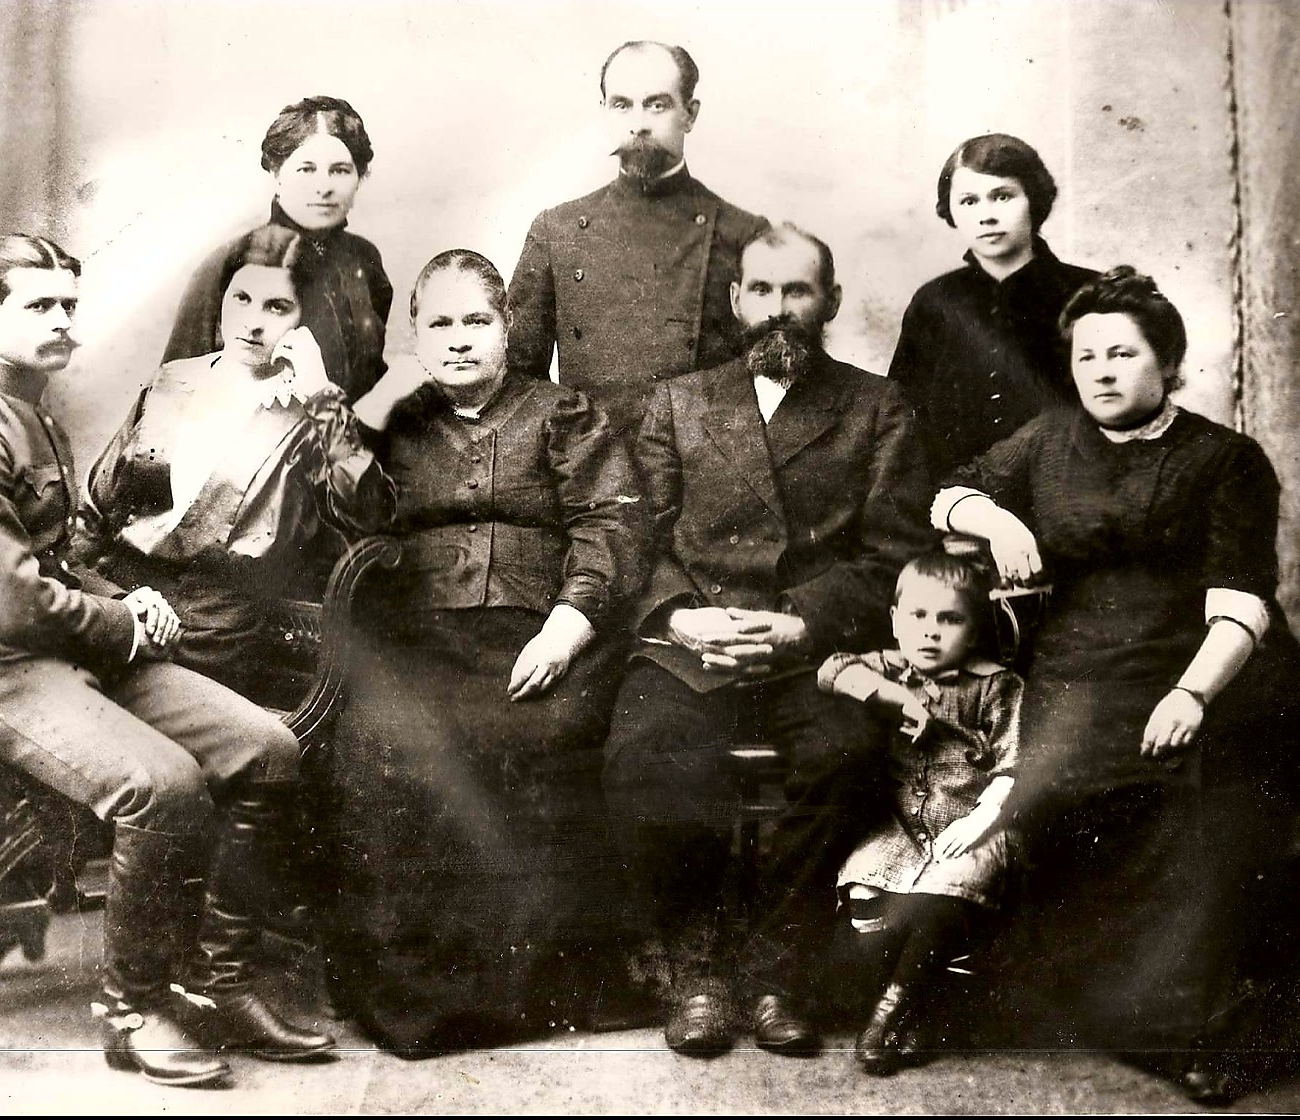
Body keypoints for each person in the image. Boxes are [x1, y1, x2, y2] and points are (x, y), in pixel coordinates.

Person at [0, 235, 335, 1088]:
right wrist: (122, 620)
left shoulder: (32, 413)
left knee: (267, 748)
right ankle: (132, 1009)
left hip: (63, 651)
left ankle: (220, 984)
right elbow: (10, 605)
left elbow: (57, 557)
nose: (63, 321)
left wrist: (124, 598)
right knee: (161, 785)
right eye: (40, 306)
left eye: (70, 304)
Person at [937, 266, 1300, 1105]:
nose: (1101, 371)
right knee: (1052, 796)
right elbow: (949, 493)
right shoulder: (1048, 439)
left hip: (1203, 661)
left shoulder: (1225, 459)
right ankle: (1108, 1011)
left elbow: (1243, 601)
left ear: (1166, 361)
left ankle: (1199, 1025)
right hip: (1079, 665)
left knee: (1198, 797)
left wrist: (1192, 694)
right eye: (1087, 356)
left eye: (1123, 354)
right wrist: (994, 517)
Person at [603, 222, 936, 1057]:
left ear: (830, 300)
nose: (778, 308)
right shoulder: (678, 402)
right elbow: (634, 539)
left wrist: (800, 622)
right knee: (645, 754)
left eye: (797, 290)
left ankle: (777, 974)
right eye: (761, 290)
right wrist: (680, 615)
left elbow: (895, 554)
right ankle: (698, 972)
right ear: (734, 299)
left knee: (846, 754)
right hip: (693, 642)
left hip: (816, 654)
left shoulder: (877, 407)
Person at [321, 249, 649, 1057]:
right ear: (415, 337)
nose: (460, 339)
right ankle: (418, 1003)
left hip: (541, 636)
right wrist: (372, 410)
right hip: (419, 641)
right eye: (440, 323)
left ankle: (538, 993)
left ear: (508, 329)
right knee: (381, 750)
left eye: (478, 320)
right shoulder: (395, 422)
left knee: (534, 740)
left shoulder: (564, 413)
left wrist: (566, 627)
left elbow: (611, 523)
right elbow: (344, 515)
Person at [78, 223, 396, 697]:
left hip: (204, 645)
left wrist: (321, 397)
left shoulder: (311, 417)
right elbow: (92, 517)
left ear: (305, 319)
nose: (252, 322)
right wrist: (116, 603)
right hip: (115, 617)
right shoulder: (170, 382)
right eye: (241, 299)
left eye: (277, 307)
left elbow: (370, 512)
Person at [815, 552, 1024, 1077]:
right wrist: (889, 694)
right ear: (895, 620)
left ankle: (889, 1014)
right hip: (902, 826)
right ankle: (921, 1006)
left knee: (941, 899)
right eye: (918, 616)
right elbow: (831, 668)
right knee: (865, 890)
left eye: (950, 619)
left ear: (974, 629)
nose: (931, 632)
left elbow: (1012, 766)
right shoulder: (890, 667)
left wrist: (980, 821)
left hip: (970, 822)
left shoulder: (996, 685)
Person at [507, 40, 767, 440]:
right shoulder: (556, 231)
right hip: (590, 462)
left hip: (698, 465)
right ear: (604, 112)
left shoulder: (743, 234)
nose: (639, 123)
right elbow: (520, 383)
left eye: (657, 105)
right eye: (622, 105)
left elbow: (767, 386)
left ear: (690, 114)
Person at [888, 134, 1097, 480]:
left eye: (1002, 196)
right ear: (951, 211)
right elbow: (902, 415)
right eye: (969, 201)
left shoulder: (1088, 293)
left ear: (1034, 199)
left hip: (1069, 485)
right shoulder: (934, 302)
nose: (986, 216)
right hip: (954, 494)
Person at [164, 96, 391, 400]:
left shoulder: (364, 260)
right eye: (306, 169)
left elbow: (367, 380)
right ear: (276, 173)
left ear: (360, 177)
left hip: (336, 426)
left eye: (339, 170)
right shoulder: (233, 262)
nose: (324, 187)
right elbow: (176, 392)